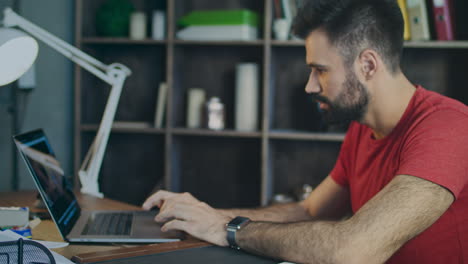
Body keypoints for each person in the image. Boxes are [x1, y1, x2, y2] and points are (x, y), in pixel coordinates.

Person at [142, 0, 468, 263]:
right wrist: (204, 215)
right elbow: (310, 210)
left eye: (320, 71)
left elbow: (353, 251)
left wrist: (227, 229)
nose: (310, 86)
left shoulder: (448, 127)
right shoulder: (362, 129)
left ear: (368, 65)